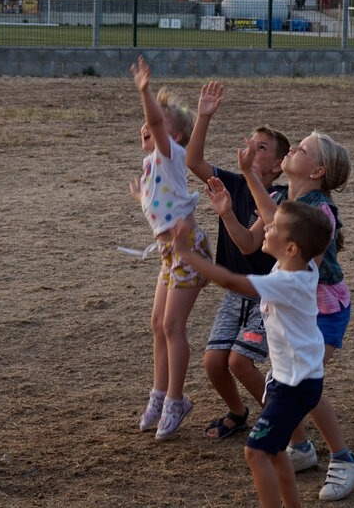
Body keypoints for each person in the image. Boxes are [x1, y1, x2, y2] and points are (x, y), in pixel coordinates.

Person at [217, 131, 354, 501]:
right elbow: (254, 241)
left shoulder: (321, 213)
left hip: (324, 308)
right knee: (283, 380)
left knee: (304, 384)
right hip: (296, 309)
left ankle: (344, 458)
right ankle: (297, 447)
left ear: (317, 171)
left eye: (302, 149)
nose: (293, 148)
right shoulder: (281, 197)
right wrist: (233, 204)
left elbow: (298, 264)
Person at [173, 200, 335, 508]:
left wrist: (186, 253)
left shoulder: (285, 282)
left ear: (290, 248)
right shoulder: (303, 265)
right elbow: (292, 225)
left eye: (273, 227)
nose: (266, 225)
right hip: (291, 381)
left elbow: (229, 281)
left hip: (295, 387)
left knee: (256, 451)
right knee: (273, 450)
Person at [185, 80, 290, 441]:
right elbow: (194, 161)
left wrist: (227, 214)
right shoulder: (233, 182)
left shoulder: (278, 197)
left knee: (239, 362)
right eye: (251, 141)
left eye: (261, 147)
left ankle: (280, 420)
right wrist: (203, 117)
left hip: (264, 297)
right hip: (236, 294)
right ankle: (237, 411)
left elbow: (248, 246)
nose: (250, 147)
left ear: (278, 165)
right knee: (214, 363)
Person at [128, 55, 211, 439]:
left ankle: (177, 400)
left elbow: (158, 122)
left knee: (174, 326)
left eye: (157, 124)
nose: (148, 126)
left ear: (173, 137)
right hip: (170, 253)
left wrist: (145, 91)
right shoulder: (152, 165)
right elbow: (162, 202)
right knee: (158, 324)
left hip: (189, 250)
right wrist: (140, 197)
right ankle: (159, 395)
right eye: (145, 124)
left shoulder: (170, 154)